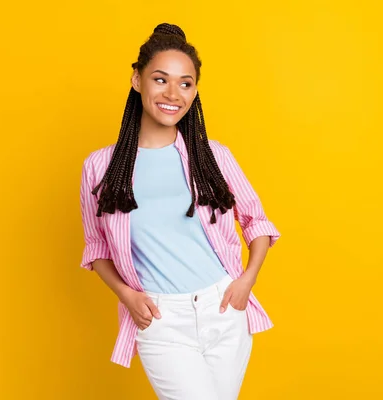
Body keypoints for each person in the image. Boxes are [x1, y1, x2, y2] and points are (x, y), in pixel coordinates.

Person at [79, 22, 281, 400]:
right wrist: (126, 294)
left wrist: (247, 280)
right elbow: (97, 248)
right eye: (160, 79)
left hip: (224, 309)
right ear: (137, 80)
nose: (173, 93)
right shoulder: (100, 167)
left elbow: (257, 222)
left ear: (195, 91)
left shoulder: (214, 157)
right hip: (161, 318)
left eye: (185, 83)